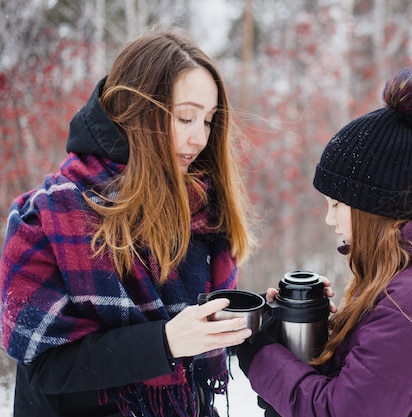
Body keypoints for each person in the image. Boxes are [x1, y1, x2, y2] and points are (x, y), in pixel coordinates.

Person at [0, 28, 258, 417]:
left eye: (207, 121)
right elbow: (45, 366)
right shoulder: (49, 219)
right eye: (185, 117)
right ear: (136, 112)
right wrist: (164, 342)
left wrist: (265, 314)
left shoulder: (201, 210)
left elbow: (202, 337)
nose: (199, 138)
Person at [236, 67, 412, 417]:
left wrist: (262, 357)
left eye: (338, 205)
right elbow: (369, 381)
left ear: (374, 207)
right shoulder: (409, 273)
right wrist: (310, 333)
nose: (329, 219)